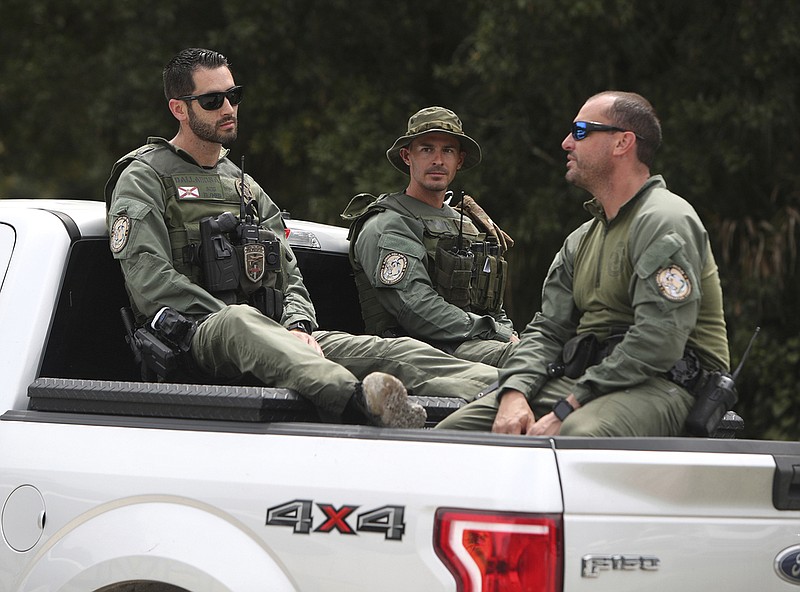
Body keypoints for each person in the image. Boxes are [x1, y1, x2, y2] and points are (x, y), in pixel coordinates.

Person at [104, 48, 499, 429]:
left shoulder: (243, 184)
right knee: (240, 321)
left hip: (277, 336)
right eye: (212, 100)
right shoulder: (144, 177)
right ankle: (361, 402)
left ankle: (509, 390)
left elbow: (288, 271)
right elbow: (150, 282)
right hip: (199, 335)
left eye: (233, 96)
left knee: (393, 350)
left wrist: (297, 327)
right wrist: (260, 327)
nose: (228, 108)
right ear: (179, 109)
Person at [437, 91, 730, 437]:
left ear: (622, 142)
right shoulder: (581, 239)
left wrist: (569, 405)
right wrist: (515, 391)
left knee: (575, 436)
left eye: (580, 132)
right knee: (455, 432)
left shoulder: (665, 220)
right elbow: (548, 330)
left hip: (663, 383)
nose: (566, 143)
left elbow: (658, 340)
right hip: (591, 381)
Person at [342, 106, 518, 367]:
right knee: (527, 361)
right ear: (407, 156)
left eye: (447, 150)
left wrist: (509, 333)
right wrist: (496, 332)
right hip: (417, 355)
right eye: (427, 149)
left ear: (459, 160)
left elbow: (491, 305)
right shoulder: (388, 223)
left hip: (472, 346)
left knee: (543, 355)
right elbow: (415, 308)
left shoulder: (467, 225)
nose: (438, 160)